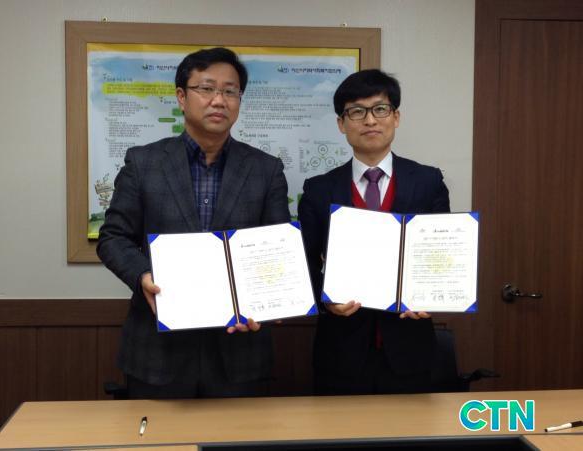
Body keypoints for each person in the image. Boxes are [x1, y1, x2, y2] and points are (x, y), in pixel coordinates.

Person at [97, 47, 290, 398]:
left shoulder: (266, 169)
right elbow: (113, 238)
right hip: (157, 351)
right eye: (206, 88)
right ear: (182, 97)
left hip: (239, 351)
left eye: (230, 91)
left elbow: (278, 248)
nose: (219, 100)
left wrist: (269, 301)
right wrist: (142, 276)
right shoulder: (143, 163)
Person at [298, 69, 450, 395]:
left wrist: (432, 294)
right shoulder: (319, 190)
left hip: (410, 349)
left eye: (380, 109)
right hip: (341, 352)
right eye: (357, 112)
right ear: (341, 123)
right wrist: (326, 301)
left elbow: (440, 256)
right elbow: (304, 264)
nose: (370, 120)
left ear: (396, 117)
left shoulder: (428, 182)